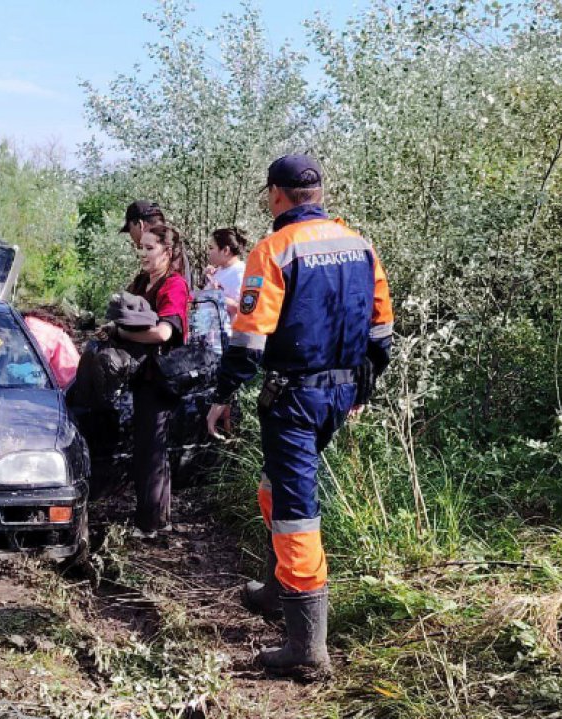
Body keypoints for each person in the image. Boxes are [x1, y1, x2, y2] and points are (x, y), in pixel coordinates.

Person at [206, 155, 394, 679]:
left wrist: (224, 395)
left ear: (276, 194)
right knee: (276, 485)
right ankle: (276, 588)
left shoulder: (275, 249)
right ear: (319, 193)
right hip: (339, 395)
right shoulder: (359, 244)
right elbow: (382, 331)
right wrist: (361, 386)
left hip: (294, 400)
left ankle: (307, 648)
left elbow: (249, 340)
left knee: (296, 511)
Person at [113, 224, 191, 539]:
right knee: (146, 447)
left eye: (149, 248)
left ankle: (152, 524)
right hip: (141, 375)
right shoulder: (143, 281)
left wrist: (122, 333)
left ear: (167, 252)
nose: (142, 254)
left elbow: (163, 333)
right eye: (141, 248)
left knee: (153, 450)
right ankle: (153, 517)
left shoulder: (174, 285)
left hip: (161, 378)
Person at [120, 200, 193, 287]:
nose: (131, 235)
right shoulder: (175, 250)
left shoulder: (165, 262)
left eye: (130, 229)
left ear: (140, 225)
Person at [22, 306, 81, 390]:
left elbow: (34, 369)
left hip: (68, 388)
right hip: (67, 383)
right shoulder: (33, 325)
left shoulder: (37, 331)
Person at [204, 227, 249, 319]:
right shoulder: (219, 270)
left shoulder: (240, 274)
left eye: (211, 248)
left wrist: (217, 294)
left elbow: (242, 308)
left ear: (225, 250)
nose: (208, 252)